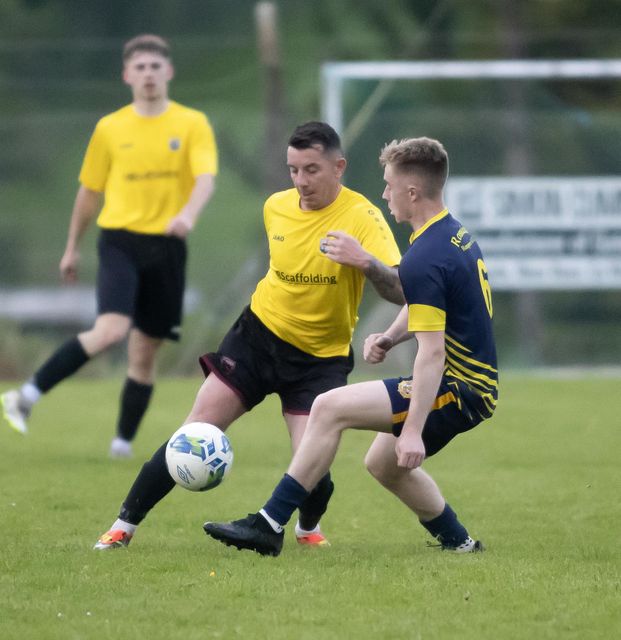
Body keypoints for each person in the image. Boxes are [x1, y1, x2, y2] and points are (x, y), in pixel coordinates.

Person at [92, 120, 404, 550]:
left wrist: (365, 261)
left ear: (339, 167)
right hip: (257, 338)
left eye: (311, 169)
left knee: (312, 465)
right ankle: (122, 528)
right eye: (293, 169)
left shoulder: (364, 218)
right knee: (192, 432)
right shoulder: (275, 206)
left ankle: (306, 529)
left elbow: (401, 288)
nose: (300, 181)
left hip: (319, 360)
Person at [203, 136, 498, 556]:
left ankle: (268, 525)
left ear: (411, 192)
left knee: (328, 407)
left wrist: (412, 431)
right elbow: (430, 304)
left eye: (389, 184)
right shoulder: (450, 236)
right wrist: (392, 336)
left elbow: (432, 352)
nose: (384, 193)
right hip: (473, 385)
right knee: (382, 465)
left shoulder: (426, 255)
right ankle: (461, 543)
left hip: (461, 389)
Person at [1, 35, 218, 458]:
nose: (148, 74)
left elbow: (205, 178)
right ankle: (25, 396)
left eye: (156, 66)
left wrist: (188, 214)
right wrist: (71, 247)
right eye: (140, 67)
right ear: (126, 75)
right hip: (119, 242)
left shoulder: (191, 123)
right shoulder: (111, 128)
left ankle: (121, 446)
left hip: (168, 247)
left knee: (143, 353)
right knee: (111, 331)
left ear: (168, 72)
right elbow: (88, 192)